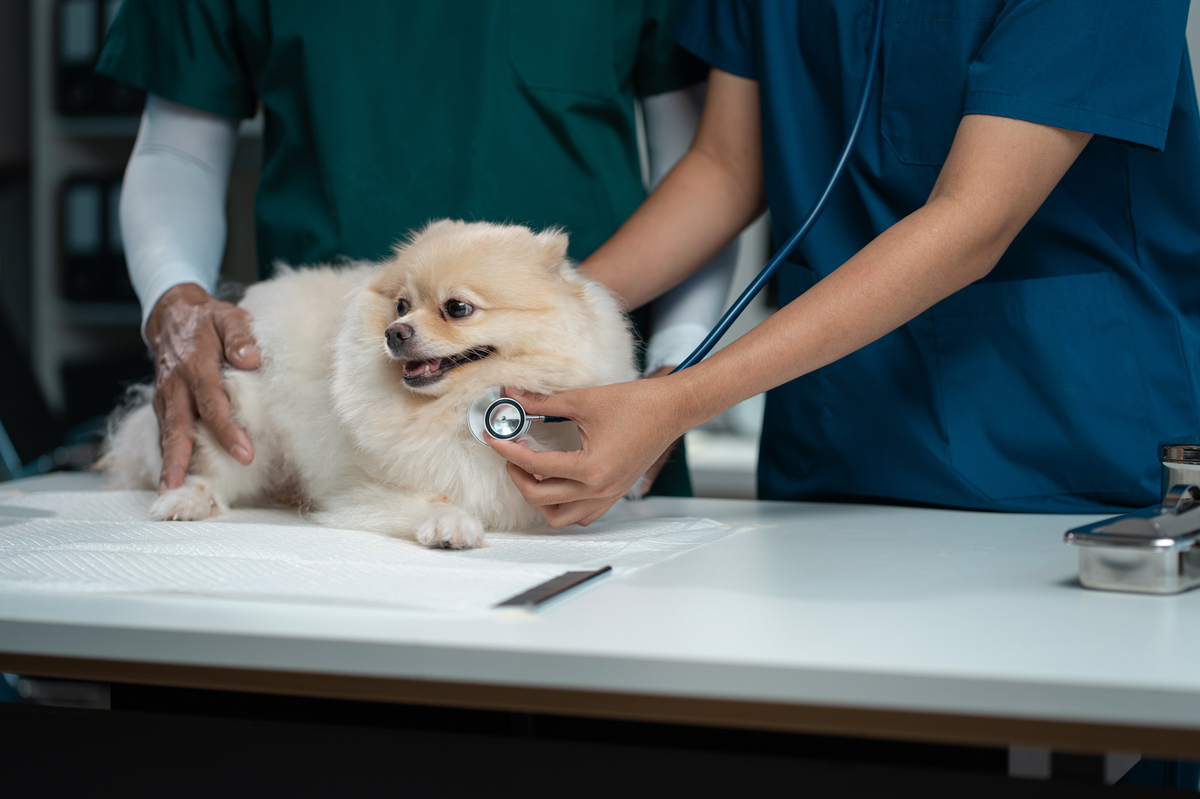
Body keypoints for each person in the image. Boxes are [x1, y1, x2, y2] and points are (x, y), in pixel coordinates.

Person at [489, 0, 1200, 530]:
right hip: (837, 453)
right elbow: (726, 168)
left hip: (1065, 452)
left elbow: (974, 221)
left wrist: (679, 401)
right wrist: (534, 313)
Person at [95, 1, 738, 499]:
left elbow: (712, 167)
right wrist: (174, 296)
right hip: (329, 405)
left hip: (595, 419)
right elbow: (175, 149)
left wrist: (675, 372)